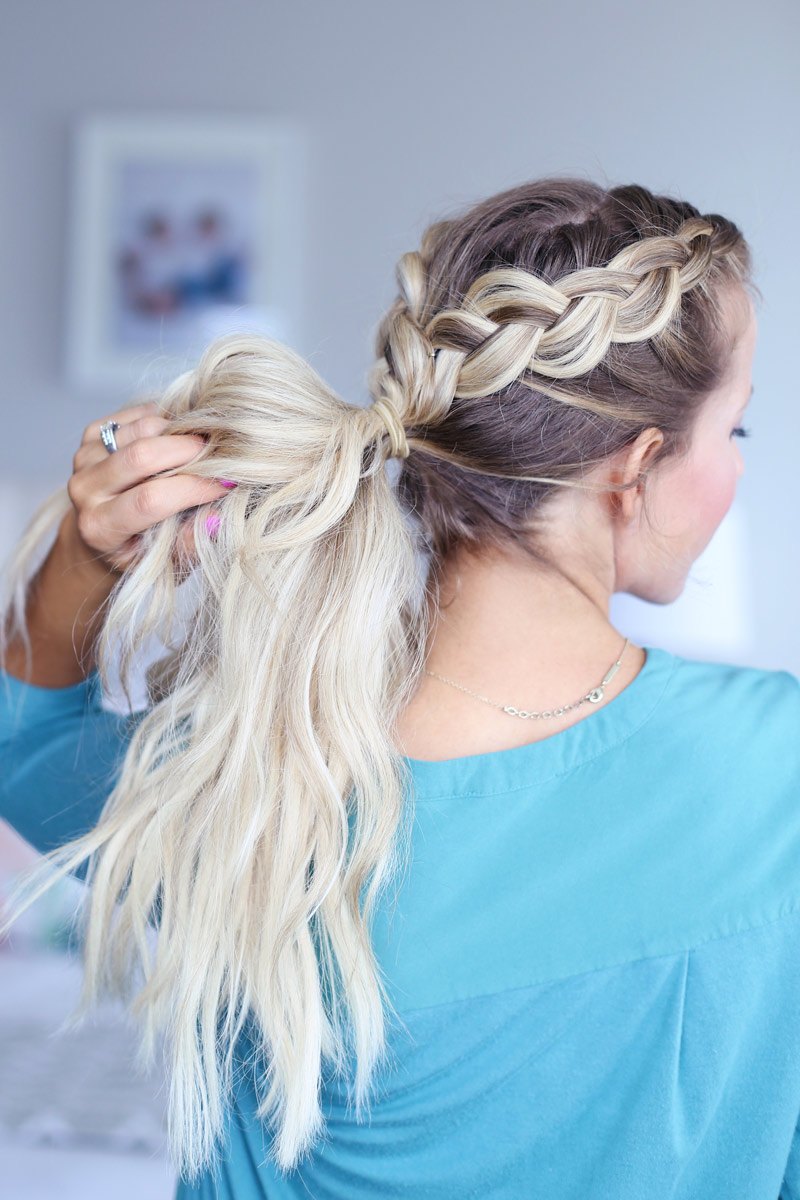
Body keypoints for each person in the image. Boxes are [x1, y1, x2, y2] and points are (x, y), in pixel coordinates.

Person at [1, 176, 799, 1200]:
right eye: (733, 431)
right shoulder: (775, 777)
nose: (734, 467)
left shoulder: (248, 778)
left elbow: (25, 738)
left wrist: (83, 547)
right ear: (634, 467)